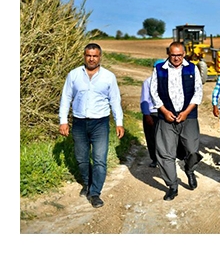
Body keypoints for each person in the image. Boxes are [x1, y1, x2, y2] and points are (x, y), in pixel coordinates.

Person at [58, 43, 125, 209]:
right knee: (81, 159)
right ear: (84, 56)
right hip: (79, 122)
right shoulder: (73, 75)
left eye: (95, 56)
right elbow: (66, 98)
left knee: (99, 160)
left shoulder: (109, 77)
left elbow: (115, 100)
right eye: (89, 55)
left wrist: (119, 122)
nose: (92, 59)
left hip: (100, 123)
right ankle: (87, 184)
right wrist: (63, 120)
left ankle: (95, 193)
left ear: (100, 57)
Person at [150, 42, 203, 201]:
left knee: (192, 150)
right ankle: (172, 186)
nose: (176, 58)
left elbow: (198, 92)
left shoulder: (192, 68)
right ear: (168, 54)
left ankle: (189, 169)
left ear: (184, 54)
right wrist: (164, 111)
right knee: (165, 153)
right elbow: (154, 92)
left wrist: (186, 112)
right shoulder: (159, 69)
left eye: (179, 55)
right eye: (173, 55)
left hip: (189, 117)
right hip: (166, 117)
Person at [140, 75, 159, 168]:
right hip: (152, 114)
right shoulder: (148, 82)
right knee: (151, 138)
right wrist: (147, 115)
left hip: (166, 114)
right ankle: (155, 159)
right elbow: (144, 99)